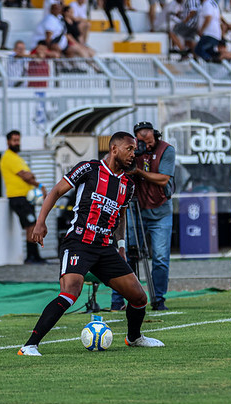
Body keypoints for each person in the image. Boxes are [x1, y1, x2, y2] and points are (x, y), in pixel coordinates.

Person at [17, 131, 164, 357]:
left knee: (139, 297)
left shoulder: (128, 184)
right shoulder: (89, 169)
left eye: (135, 150)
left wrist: (121, 246)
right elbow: (56, 191)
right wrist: (40, 222)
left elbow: (120, 216)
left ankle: (134, 338)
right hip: (79, 242)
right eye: (129, 149)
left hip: (105, 248)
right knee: (70, 292)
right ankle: (30, 345)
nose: (133, 154)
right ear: (114, 149)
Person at [111, 121, 176, 312]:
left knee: (160, 257)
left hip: (161, 210)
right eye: (141, 142)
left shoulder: (166, 150)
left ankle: (159, 299)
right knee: (127, 254)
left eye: (148, 141)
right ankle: (119, 300)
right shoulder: (132, 151)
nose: (145, 145)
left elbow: (164, 179)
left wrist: (138, 171)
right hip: (134, 207)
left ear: (154, 134)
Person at [0, 130, 47, 264]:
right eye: (14, 140)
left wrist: (32, 178)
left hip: (25, 197)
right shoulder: (8, 157)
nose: (17, 143)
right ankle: (31, 257)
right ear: (8, 142)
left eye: (18, 140)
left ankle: (35, 256)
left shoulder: (17, 157)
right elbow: (26, 176)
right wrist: (39, 184)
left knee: (32, 225)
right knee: (31, 225)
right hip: (18, 197)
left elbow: (29, 176)